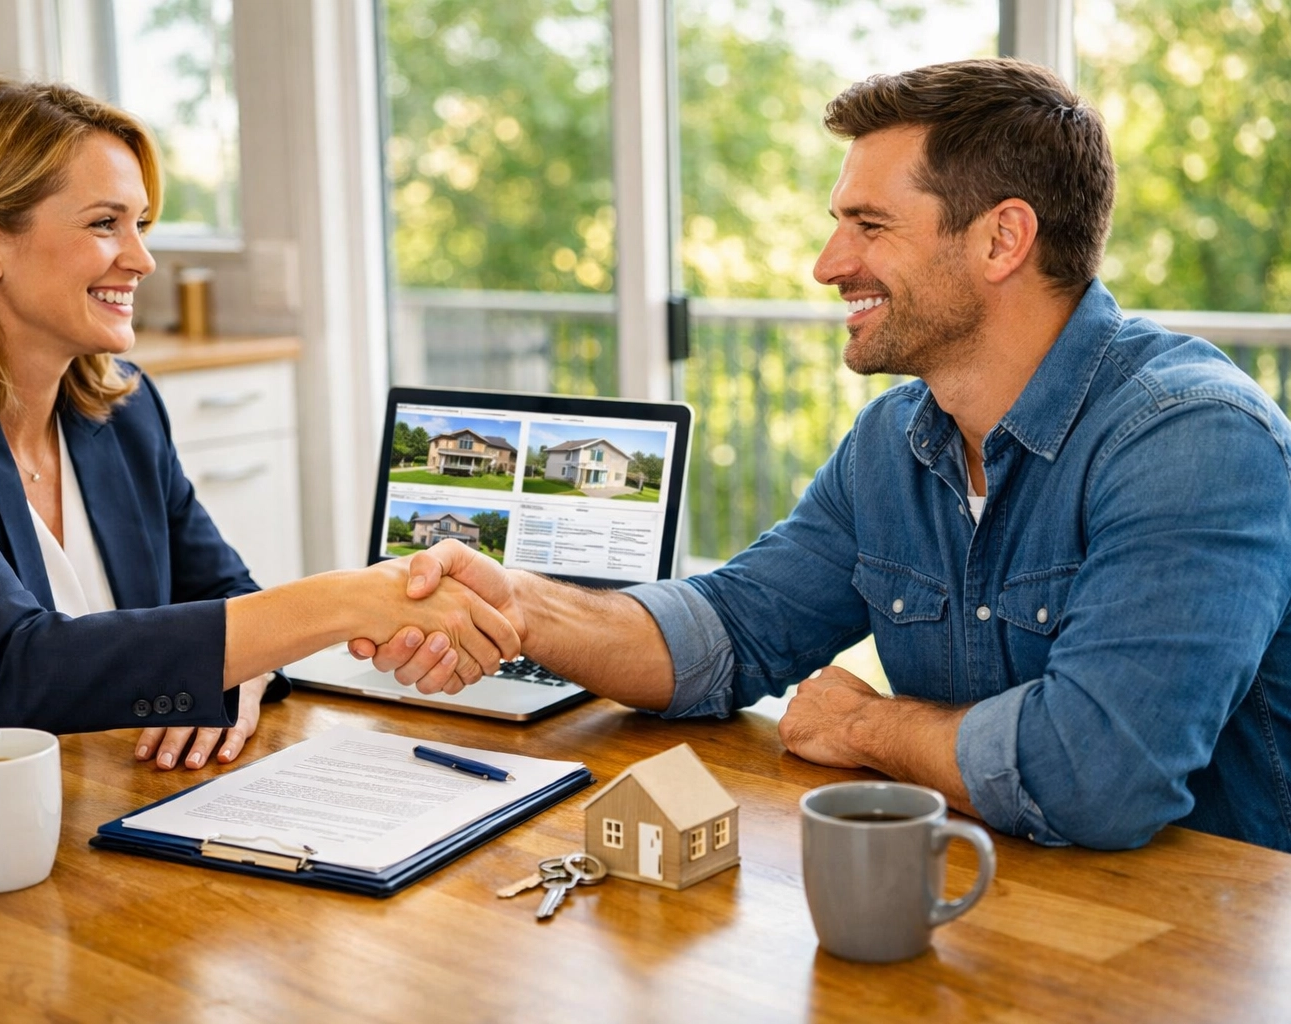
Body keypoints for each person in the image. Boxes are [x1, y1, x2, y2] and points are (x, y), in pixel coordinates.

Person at [354, 58, 1291, 853]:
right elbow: (728, 634)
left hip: (1194, 953)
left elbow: (1098, 773)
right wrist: (521, 607)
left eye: (870, 225)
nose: (827, 263)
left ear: (1003, 238)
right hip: (978, 907)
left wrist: (867, 725)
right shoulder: (895, 441)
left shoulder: (1193, 440)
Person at [0, 77, 516, 787]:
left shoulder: (121, 412)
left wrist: (240, 674)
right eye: (104, 224)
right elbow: (11, 671)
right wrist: (349, 600)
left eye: (141, 224)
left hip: (74, 808)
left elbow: (225, 593)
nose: (143, 258)